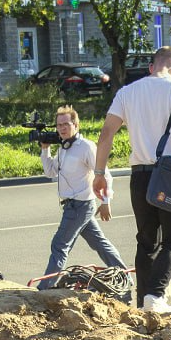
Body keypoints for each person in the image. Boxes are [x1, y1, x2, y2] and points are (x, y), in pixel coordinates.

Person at [94, 47, 171, 313]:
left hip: (140, 176)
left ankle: (142, 303)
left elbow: (106, 134)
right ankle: (155, 296)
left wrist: (99, 173)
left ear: (151, 67)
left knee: (146, 241)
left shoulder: (127, 92)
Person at [38, 105, 126, 290]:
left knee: (60, 245)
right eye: (59, 125)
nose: (62, 128)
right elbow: (50, 172)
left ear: (76, 125)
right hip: (72, 205)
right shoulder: (63, 148)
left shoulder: (85, 147)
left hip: (80, 205)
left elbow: (105, 174)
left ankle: (44, 289)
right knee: (100, 244)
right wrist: (45, 150)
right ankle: (124, 276)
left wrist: (106, 201)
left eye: (66, 124)